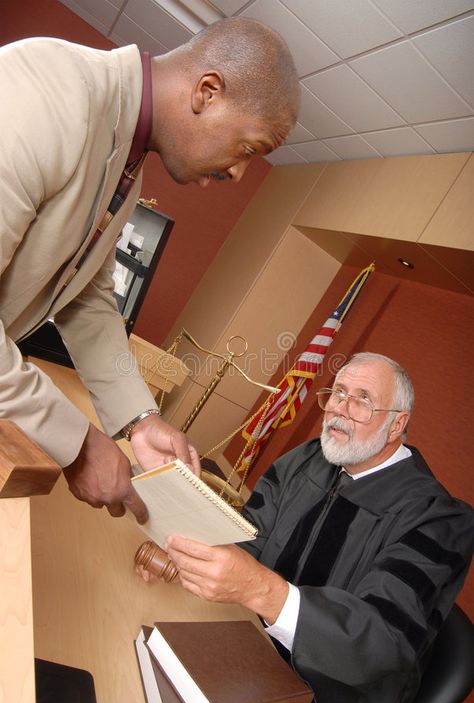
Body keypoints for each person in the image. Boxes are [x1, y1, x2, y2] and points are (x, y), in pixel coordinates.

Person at [0, 19, 299, 523]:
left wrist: (140, 419)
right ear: (207, 91)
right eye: (249, 149)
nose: (238, 173)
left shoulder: (126, 165)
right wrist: (78, 444)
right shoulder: (49, 91)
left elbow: (87, 298)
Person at [165, 352, 474, 703]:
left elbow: (381, 643)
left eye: (362, 401)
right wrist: (191, 559)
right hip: (245, 643)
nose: (341, 408)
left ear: (396, 425)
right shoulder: (307, 459)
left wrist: (263, 592)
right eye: (338, 393)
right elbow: (249, 537)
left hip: (329, 694)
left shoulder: (438, 519)